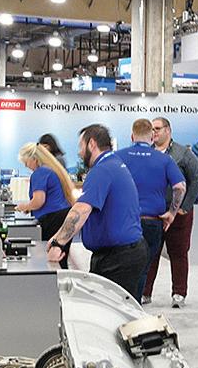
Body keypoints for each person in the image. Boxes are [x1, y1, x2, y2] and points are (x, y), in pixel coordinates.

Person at [45, 124, 147, 299]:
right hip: (121, 254)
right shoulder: (113, 164)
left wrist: (58, 243)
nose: (79, 153)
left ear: (91, 144)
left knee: (111, 310)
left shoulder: (102, 170)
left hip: (119, 258)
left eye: (80, 146)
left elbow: (82, 210)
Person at [121, 119, 186, 303]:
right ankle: (136, 304)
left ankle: (125, 303)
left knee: (124, 266)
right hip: (152, 222)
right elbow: (180, 187)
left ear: (132, 136)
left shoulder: (118, 157)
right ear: (151, 137)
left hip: (125, 221)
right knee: (145, 267)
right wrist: (172, 213)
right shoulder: (164, 160)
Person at [143, 116, 198, 308]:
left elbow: (197, 179)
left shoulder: (183, 154)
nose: (154, 132)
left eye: (157, 128)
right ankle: (144, 293)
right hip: (154, 215)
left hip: (178, 215)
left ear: (168, 130)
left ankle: (179, 294)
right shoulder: (148, 153)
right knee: (149, 254)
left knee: (178, 253)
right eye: (152, 129)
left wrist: (184, 207)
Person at [14, 142, 74, 268]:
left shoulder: (39, 173)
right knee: (61, 257)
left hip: (52, 220)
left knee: (52, 259)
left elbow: (38, 201)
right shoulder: (51, 170)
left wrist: (23, 207)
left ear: (34, 159)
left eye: (26, 162)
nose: (26, 166)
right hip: (63, 216)